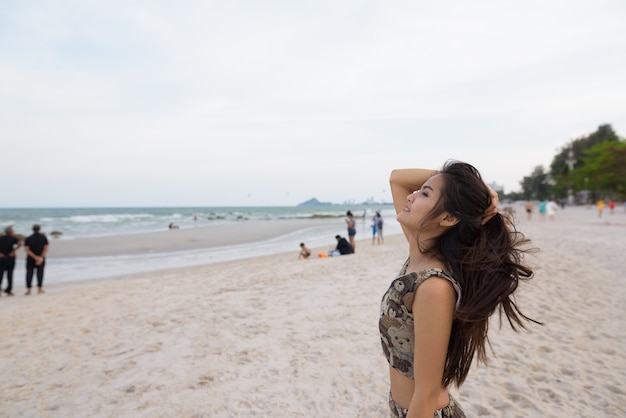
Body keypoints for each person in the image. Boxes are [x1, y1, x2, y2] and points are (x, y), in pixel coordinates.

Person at [380, 161, 539, 417]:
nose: (410, 195)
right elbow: (397, 178)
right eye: (420, 190)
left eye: (424, 193)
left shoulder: (434, 286)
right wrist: (480, 191)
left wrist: (464, 190)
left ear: (449, 218)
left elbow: (427, 393)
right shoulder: (419, 252)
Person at [24, 224, 49, 295]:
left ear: (33, 229)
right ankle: (39, 289)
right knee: (40, 273)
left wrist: (34, 257)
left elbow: (27, 249)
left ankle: (29, 290)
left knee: (29, 273)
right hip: (41, 258)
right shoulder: (43, 238)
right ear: (39, 229)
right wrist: (41, 257)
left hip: (30, 258)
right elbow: (45, 248)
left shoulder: (28, 238)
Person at [0, 226, 22, 296]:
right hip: (10, 258)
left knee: (0, 274)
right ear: (10, 232)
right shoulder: (13, 238)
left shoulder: (1, 238)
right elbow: (20, 243)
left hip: (2, 258)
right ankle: (9, 290)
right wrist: (14, 250)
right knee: (10, 274)